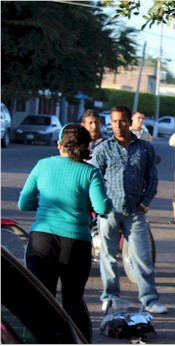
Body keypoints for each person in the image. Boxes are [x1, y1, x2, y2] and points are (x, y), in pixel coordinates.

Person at [18, 124, 112, 342]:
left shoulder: (42, 165)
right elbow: (101, 207)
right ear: (86, 147)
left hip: (41, 239)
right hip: (76, 243)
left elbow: (24, 203)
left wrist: (46, 207)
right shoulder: (90, 172)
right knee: (73, 301)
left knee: (42, 299)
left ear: (59, 144)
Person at [93, 105, 167, 314]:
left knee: (142, 256)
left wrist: (145, 202)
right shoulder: (103, 148)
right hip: (109, 211)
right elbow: (95, 179)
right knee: (108, 256)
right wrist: (100, 205)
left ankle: (150, 300)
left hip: (135, 211)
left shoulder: (144, 148)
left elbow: (151, 177)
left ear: (130, 122)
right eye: (114, 121)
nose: (118, 125)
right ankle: (110, 297)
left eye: (122, 121)